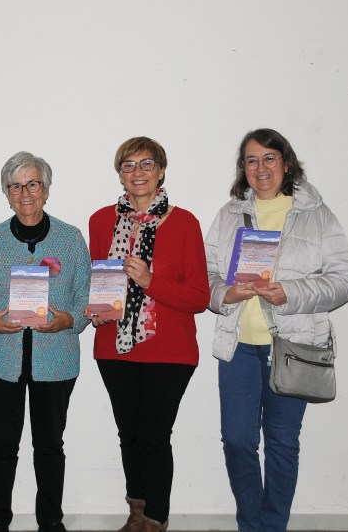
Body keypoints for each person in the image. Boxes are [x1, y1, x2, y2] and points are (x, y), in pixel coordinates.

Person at [205, 128, 348, 532]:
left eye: (269, 158)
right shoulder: (228, 214)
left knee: (282, 443)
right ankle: (251, 524)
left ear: (286, 163)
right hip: (238, 347)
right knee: (237, 442)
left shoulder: (317, 214)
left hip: (294, 348)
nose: (261, 167)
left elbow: (347, 280)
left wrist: (290, 292)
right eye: (251, 160)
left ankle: (270, 527)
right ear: (243, 168)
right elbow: (207, 275)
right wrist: (226, 292)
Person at [0, 152, 90, 532]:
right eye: (15, 186)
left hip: (56, 360)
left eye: (32, 184)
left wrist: (71, 320)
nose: (25, 193)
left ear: (46, 190)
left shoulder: (71, 238)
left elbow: (86, 297)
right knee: (1, 445)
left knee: (50, 446)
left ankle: (50, 520)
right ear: (7, 194)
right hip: (0, 360)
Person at [87, 137, 209, 532]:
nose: (137, 172)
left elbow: (199, 297)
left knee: (154, 436)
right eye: (128, 165)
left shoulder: (185, 222)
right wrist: (96, 308)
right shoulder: (100, 221)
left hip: (169, 350)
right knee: (129, 435)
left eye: (146, 164)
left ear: (161, 171)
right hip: (114, 347)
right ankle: (136, 513)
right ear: (119, 173)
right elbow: (99, 279)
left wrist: (150, 280)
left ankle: (156, 519)